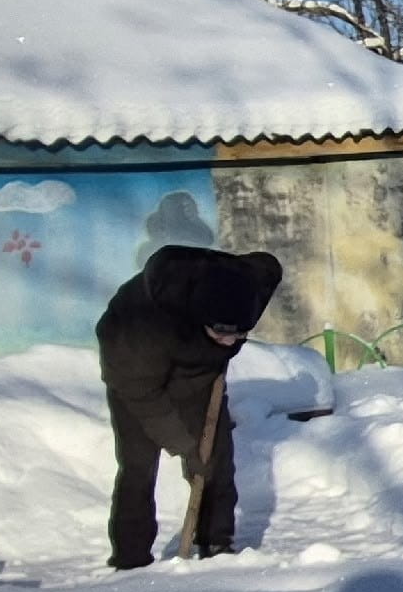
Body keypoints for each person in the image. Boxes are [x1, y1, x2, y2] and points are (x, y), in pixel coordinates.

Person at [97, 244, 284, 569]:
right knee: (138, 467)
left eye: (239, 334)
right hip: (137, 384)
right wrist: (184, 445)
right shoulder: (142, 326)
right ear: (201, 316)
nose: (230, 341)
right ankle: (130, 558)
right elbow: (141, 393)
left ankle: (217, 545)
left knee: (216, 462)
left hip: (200, 377)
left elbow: (270, 266)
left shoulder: (250, 286)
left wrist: (201, 453)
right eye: (222, 332)